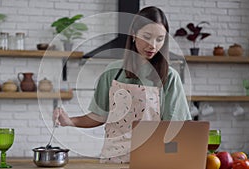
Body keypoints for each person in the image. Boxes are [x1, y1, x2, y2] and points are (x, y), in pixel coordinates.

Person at [53, 6, 191, 163]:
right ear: (133, 34)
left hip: (151, 161)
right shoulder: (112, 72)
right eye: (147, 36)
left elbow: (175, 127)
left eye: (160, 39)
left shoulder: (169, 77)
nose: (153, 45)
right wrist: (70, 121)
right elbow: (99, 115)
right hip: (113, 160)